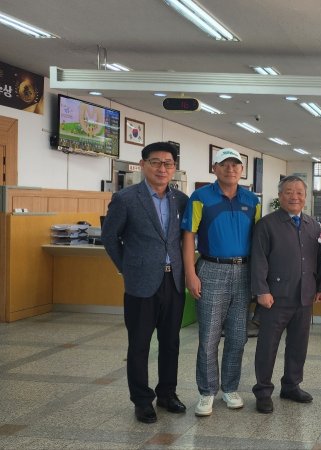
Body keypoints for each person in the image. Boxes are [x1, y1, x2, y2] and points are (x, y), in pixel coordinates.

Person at [101, 141, 188, 423]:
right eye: (156, 162)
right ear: (143, 165)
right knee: (139, 344)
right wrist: (127, 267)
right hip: (140, 284)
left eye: (168, 164)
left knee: (171, 342)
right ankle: (142, 400)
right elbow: (110, 237)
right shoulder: (126, 198)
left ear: (174, 168)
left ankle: (167, 394)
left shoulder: (181, 199)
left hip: (173, 281)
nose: (162, 169)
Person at [181, 148, 261, 417]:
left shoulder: (252, 200)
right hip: (211, 269)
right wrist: (191, 273)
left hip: (243, 272)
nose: (230, 169)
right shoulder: (200, 197)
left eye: (235, 165)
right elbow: (189, 236)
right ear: (214, 168)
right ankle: (206, 392)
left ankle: (230, 387)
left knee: (238, 337)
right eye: (224, 164)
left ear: (242, 170)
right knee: (209, 337)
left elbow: (260, 242)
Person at [250, 175, 321, 414]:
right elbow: (258, 260)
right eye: (288, 192)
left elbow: (320, 259)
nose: (294, 196)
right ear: (280, 195)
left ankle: (291, 386)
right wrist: (261, 291)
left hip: (304, 296)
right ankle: (263, 391)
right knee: (267, 346)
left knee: (298, 345)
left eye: (299, 193)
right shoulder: (267, 224)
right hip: (275, 297)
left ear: (306, 197)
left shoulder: (313, 225)